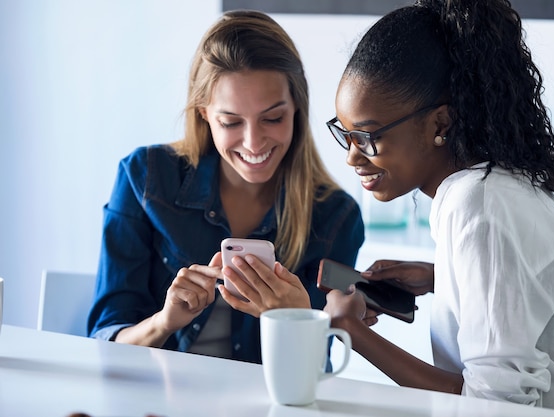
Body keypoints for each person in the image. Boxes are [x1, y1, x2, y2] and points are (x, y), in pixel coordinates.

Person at [322, 0, 554, 415]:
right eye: (345, 133)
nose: (353, 157)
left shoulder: (481, 207)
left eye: (368, 138)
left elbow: (492, 406)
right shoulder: (498, 186)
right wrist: (447, 281)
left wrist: (348, 328)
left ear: (440, 124)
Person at [87, 10, 365, 364]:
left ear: (297, 107)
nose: (253, 143)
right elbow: (103, 343)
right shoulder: (145, 179)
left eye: (273, 118)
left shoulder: (337, 216)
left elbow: (315, 371)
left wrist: (296, 319)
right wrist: (163, 322)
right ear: (204, 113)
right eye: (231, 121)